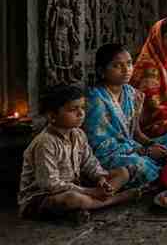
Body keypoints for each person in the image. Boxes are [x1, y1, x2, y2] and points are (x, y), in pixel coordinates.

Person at [19, 85, 137, 221]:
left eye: (82, 108)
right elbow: (50, 184)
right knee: (72, 199)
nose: (81, 113)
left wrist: (101, 179)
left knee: (123, 172)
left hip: (75, 185)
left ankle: (84, 206)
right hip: (41, 198)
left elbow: (89, 162)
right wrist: (89, 191)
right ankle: (115, 199)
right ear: (52, 115)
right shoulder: (45, 142)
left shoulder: (78, 134)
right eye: (73, 109)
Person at [84, 43, 167, 190]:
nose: (126, 69)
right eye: (117, 66)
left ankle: (163, 167)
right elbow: (99, 146)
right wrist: (145, 152)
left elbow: (136, 133)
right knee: (141, 165)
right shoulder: (95, 99)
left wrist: (151, 145)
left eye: (129, 64)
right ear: (101, 71)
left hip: (134, 147)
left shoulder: (131, 94)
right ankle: (164, 170)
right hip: (110, 156)